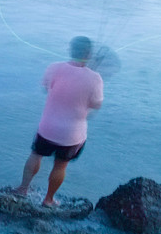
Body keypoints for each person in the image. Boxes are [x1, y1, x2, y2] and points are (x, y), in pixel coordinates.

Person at [14, 36, 104, 206]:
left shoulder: (54, 68)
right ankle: (48, 200)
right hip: (72, 135)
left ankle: (23, 189)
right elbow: (96, 104)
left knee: (36, 155)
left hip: (47, 128)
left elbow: (47, 87)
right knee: (61, 165)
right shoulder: (95, 78)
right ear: (89, 54)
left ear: (71, 50)